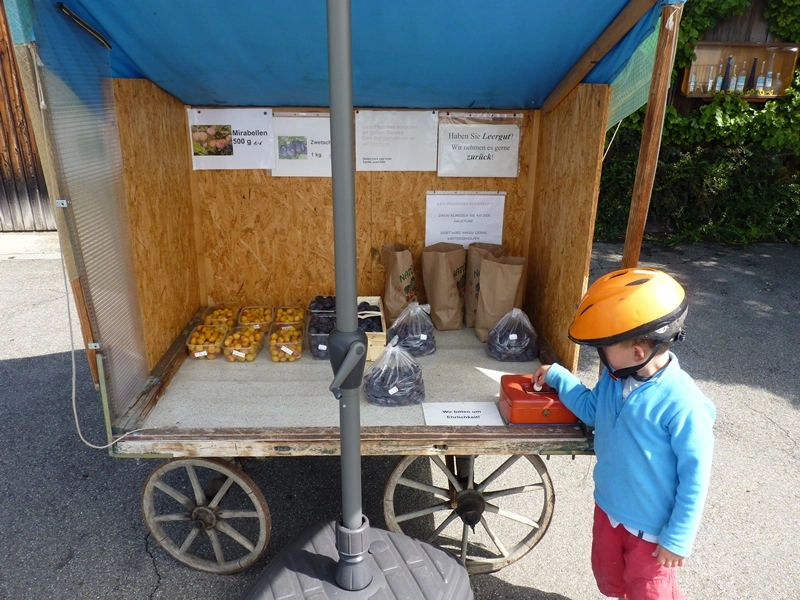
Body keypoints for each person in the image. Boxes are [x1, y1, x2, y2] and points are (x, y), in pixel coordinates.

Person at [532, 267, 715, 600]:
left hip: (653, 535)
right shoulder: (616, 378)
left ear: (637, 353)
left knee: (649, 592)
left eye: (605, 347)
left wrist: (678, 538)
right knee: (613, 582)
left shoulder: (683, 403)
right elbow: (591, 410)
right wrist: (559, 377)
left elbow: (695, 478)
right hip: (609, 512)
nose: (600, 353)